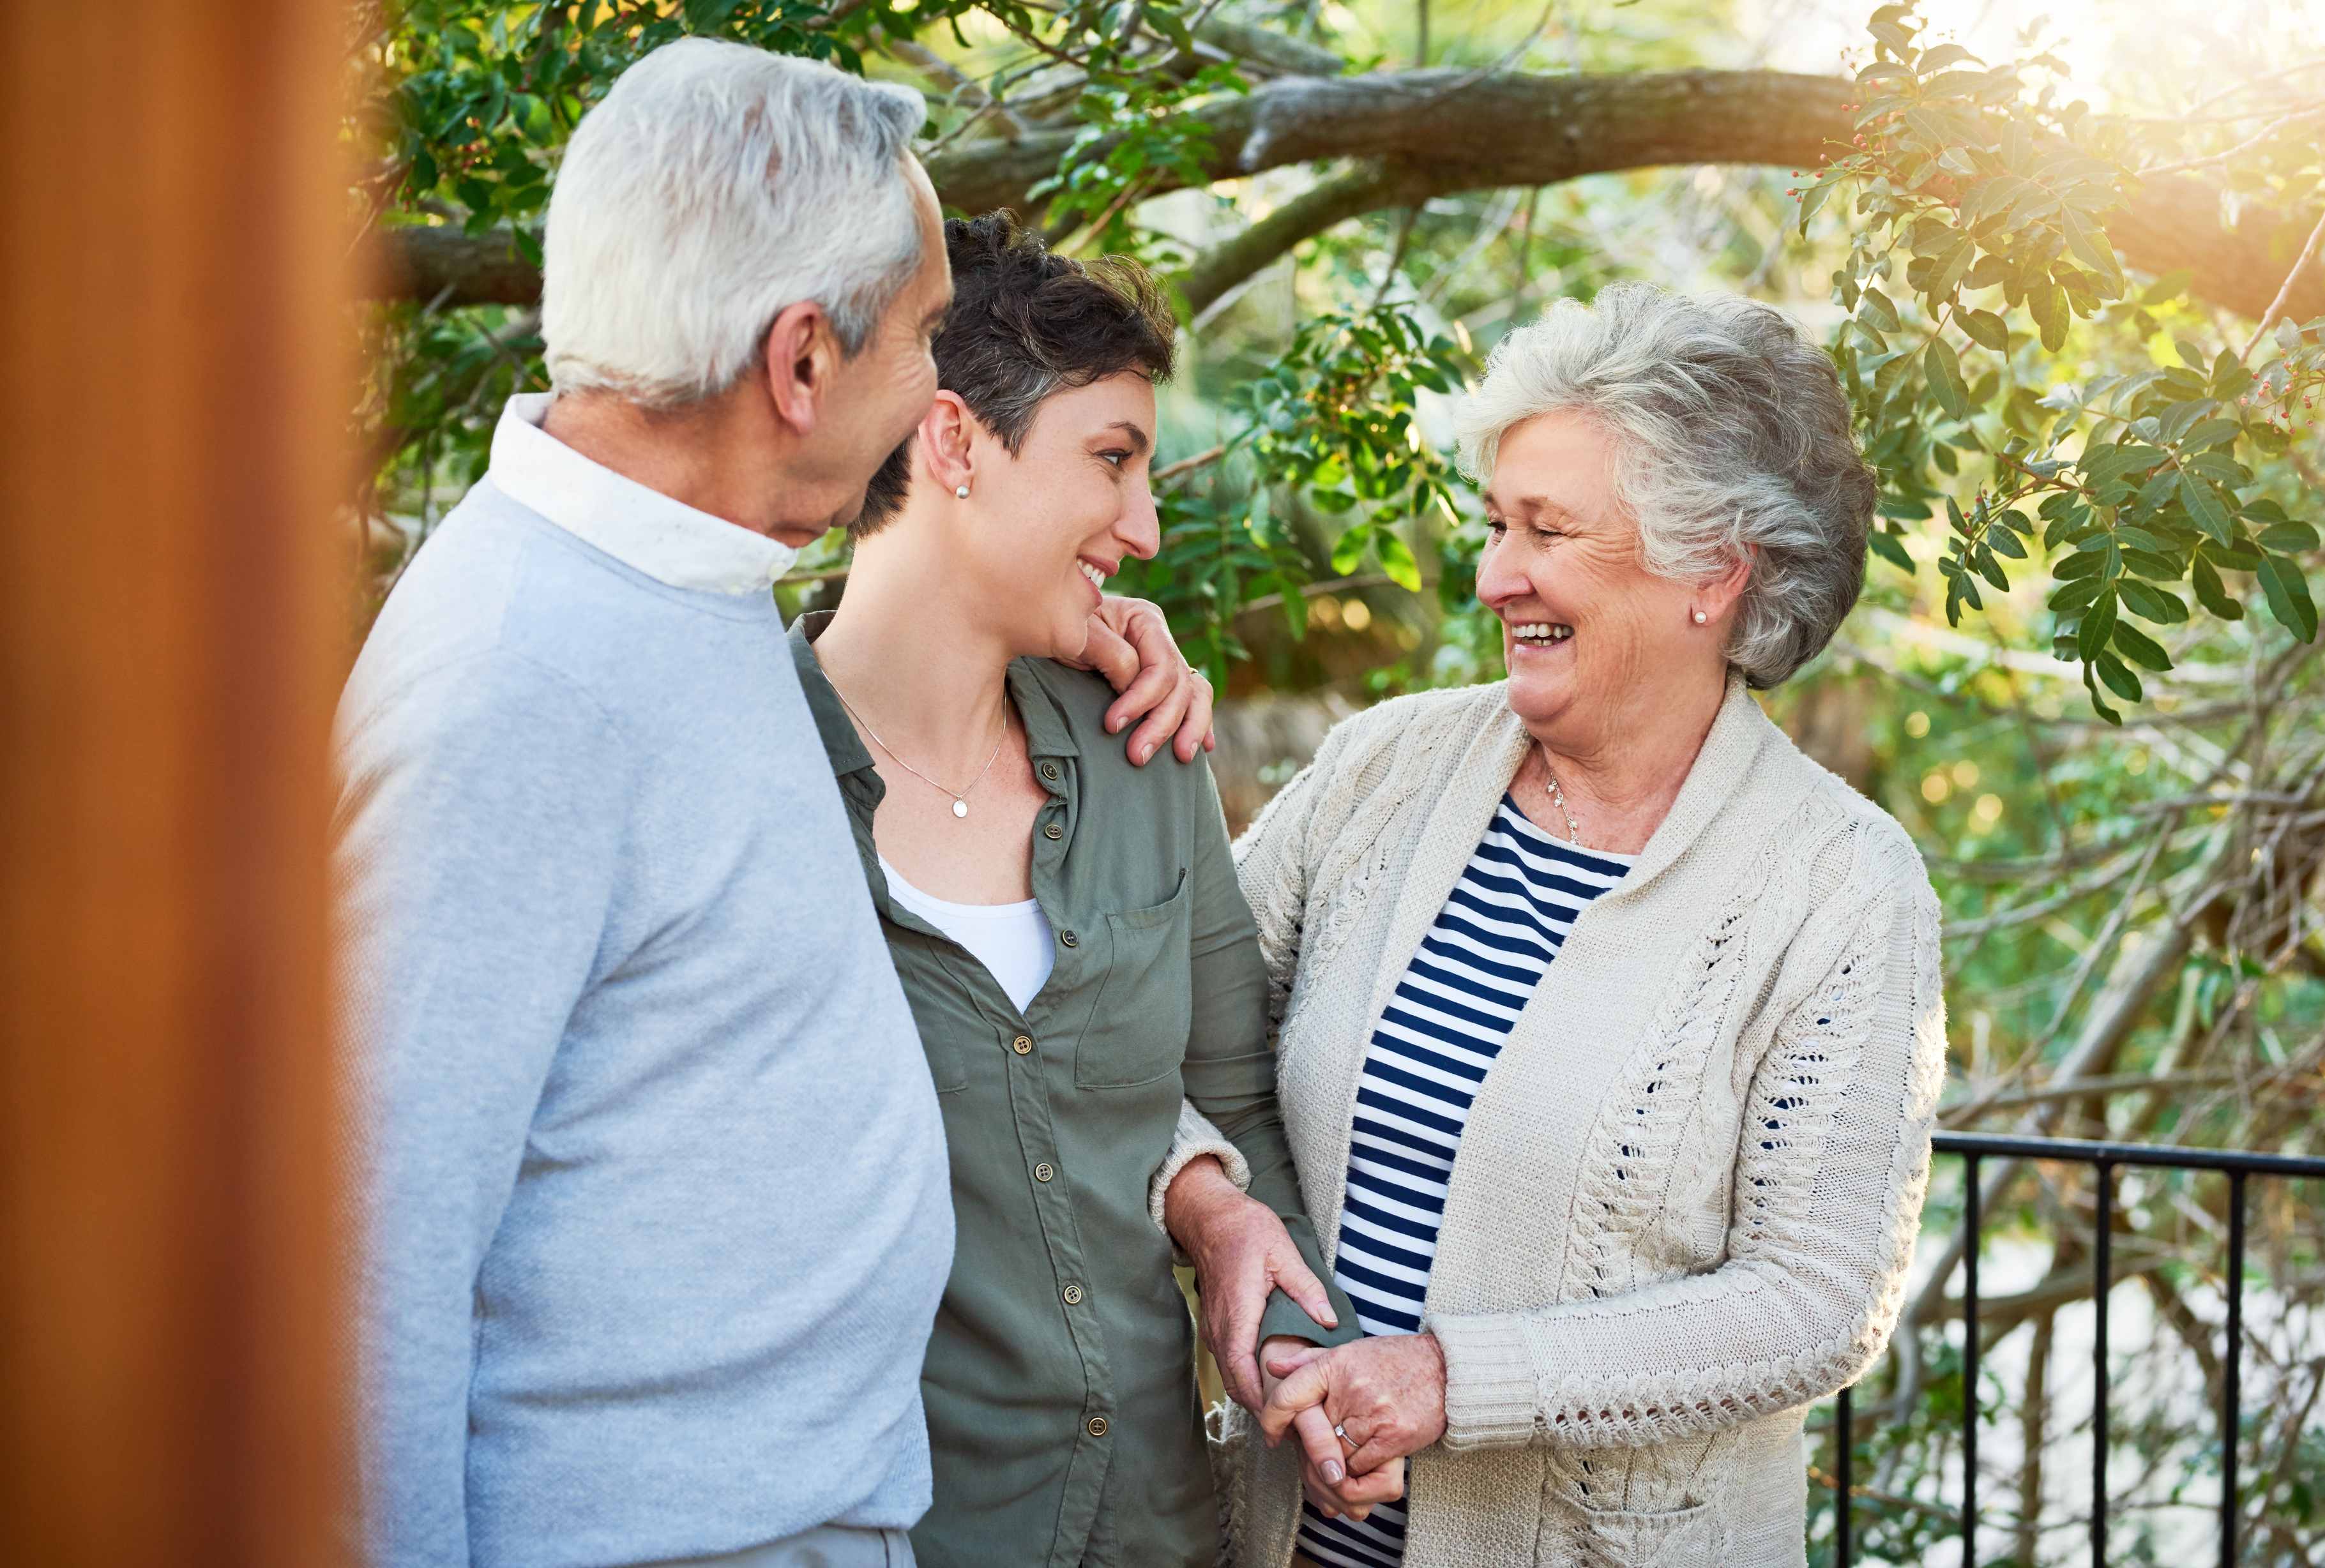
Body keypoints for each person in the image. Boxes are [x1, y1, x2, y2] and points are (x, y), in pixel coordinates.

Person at [338, 43, 1213, 1568]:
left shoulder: (686, 580)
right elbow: (360, 1269)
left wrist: (1084, 617)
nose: (944, 388)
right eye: (929, 336)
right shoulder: (515, 681)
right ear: (801, 361)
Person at [1210, 283, 1949, 1568]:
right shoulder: (1385, 766)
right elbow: (1158, 1013)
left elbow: (1816, 1300)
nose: (1495, 575)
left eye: (1547, 530)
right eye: (1497, 524)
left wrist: (1456, 1378)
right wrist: (1214, 1216)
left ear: (1714, 570)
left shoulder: (1842, 888)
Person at [785, 213, 1381, 1568]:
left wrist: (1275, 1310)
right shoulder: (743, 777)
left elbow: (1235, 1108)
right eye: (1108, 460)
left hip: (1160, 1536)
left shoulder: (1145, 757)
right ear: (949, 444)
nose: (1149, 529)